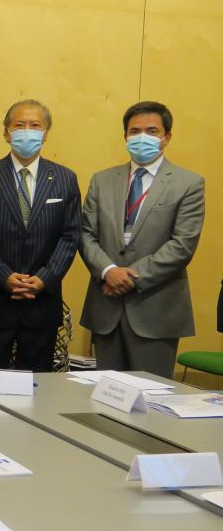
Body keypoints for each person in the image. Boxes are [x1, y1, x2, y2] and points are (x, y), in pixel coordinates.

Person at [79, 102, 204, 380]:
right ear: (125, 136)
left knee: (151, 401)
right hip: (106, 306)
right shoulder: (102, 180)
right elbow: (86, 234)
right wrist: (109, 272)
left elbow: (182, 245)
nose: (142, 137)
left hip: (155, 309)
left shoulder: (188, 183)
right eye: (135, 131)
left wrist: (130, 278)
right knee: (104, 401)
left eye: (151, 131)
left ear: (167, 137)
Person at [0, 100, 81, 372]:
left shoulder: (65, 178)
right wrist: (3, 276)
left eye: (34, 125)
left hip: (41, 305)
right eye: (19, 125)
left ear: (46, 132)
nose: (26, 131)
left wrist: (45, 278)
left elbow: (71, 235)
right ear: (7, 132)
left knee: (38, 388)